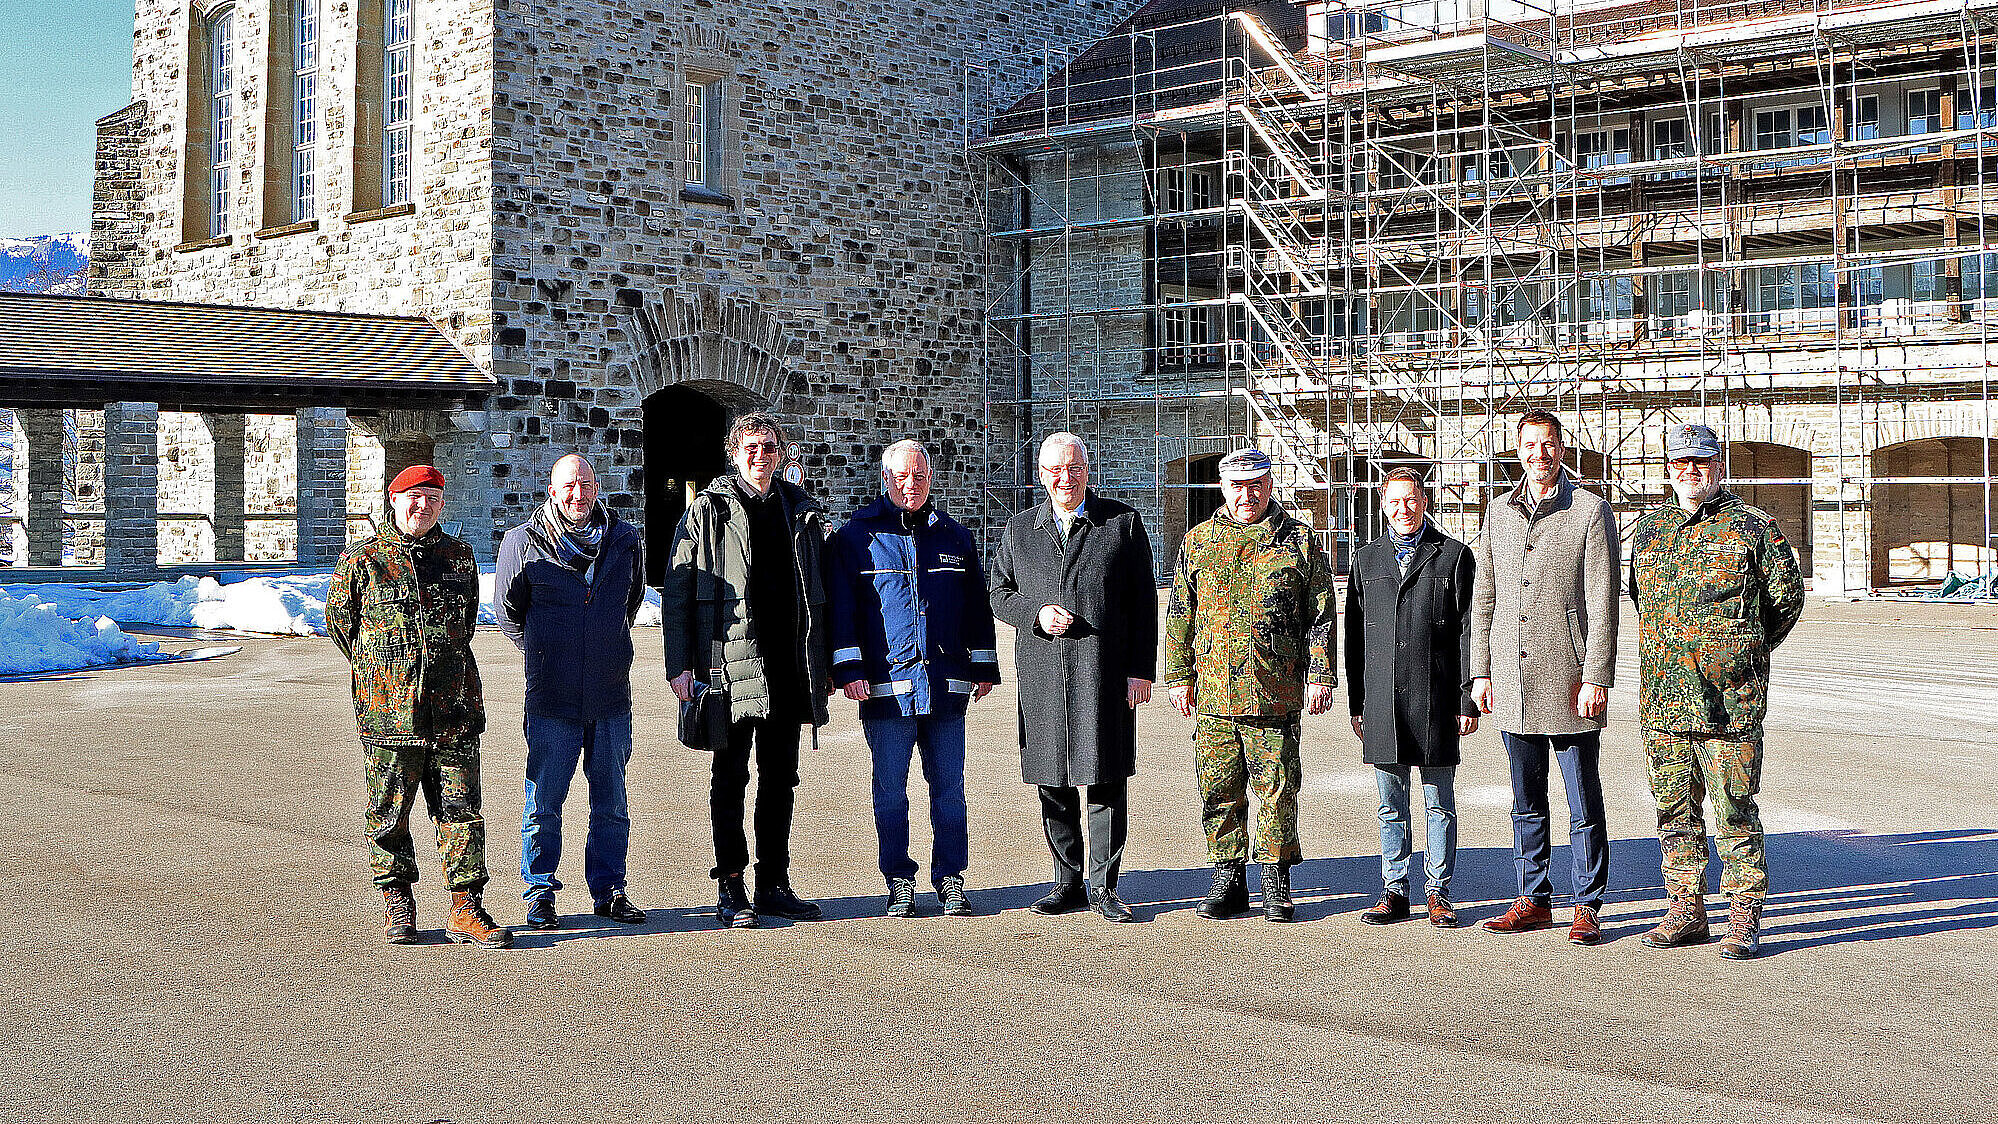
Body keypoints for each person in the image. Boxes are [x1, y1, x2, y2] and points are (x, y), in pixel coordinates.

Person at [1629, 423, 1805, 960]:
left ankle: (1743, 916)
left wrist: (1739, 654)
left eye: (1701, 463)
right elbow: (1642, 601)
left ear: (1720, 467)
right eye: (1680, 464)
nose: (1691, 472)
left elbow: (1785, 603)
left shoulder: (1755, 529)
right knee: (1675, 813)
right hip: (1664, 700)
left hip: (1732, 704)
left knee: (1734, 810)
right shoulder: (1648, 532)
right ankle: (1685, 911)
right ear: (1667, 471)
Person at [326, 465, 509, 949]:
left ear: (442, 505)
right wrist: (385, 675)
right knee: (389, 813)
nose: (421, 506)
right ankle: (397, 901)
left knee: (462, 810)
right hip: (390, 715)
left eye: (430, 497)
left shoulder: (459, 558)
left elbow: (464, 624)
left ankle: (466, 907)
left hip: (453, 711)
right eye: (412, 497)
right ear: (393, 500)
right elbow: (342, 627)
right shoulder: (363, 560)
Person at [661, 412, 832, 929]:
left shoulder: (801, 510)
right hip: (727, 664)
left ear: (783, 453)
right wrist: (680, 664)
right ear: (734, 453)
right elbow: (678, 593)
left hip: (789, 666)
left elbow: (824, 591)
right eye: (752, 448)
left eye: (770, 447)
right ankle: (731, 885)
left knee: (781, 779)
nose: (761, 456)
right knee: (730, 778)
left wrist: (823, 662)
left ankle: (774, 882)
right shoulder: (706, 511)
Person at [1162, 447, 1336, 924]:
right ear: (1222, 488)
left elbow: (1319, 614)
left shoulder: (1298, 541)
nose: (1247, 494)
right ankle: (1228, 877)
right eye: (1237, 486)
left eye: (1256, 484)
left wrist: (1320, 675)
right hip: (1213, 692)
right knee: (1218, 787)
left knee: (1277, 788)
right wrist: (1176, 677)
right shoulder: (1199, 541)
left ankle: (1276, 881)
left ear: (1270, 484)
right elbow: (1181, 612)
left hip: (1274, 690)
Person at [988, 432, 1157, 923]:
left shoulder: (1122, 524)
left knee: (1104, 777)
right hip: (1041, 674)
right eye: (1056, 471)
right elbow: (999, 592)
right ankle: (1066, 881)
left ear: (1088, 470)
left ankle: (1104, 886)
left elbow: (1144, 602)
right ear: (1041, 475)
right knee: (1051, 780)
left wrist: (1140, 670)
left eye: (1076, 468)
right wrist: (1034, 613)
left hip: (1103, 672)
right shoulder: (1021, 529)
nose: (1067, 478)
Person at [828, 439, 1000, 918]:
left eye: (919, 476)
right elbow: (843, 610)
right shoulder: (855, 537)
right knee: (890, 791)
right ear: (884, 479)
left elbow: (976, 608)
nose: (911, 485)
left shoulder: (955, 536)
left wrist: (983, 665)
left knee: (950, 790)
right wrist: (848, 669)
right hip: (885, 687)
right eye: (902, 477)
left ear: (931, 479)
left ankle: (950, 879)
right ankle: (899, 880)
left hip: (946, 684)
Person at [1469, 409, 1620, 945]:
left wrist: (1596, 674)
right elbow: (1484, 598)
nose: (1539, 454)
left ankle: (1586, 904)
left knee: (1583, 800)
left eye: (1548, 444)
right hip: (1513, 682)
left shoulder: (1590, 512)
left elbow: (1603, 603)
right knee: (1525, 800)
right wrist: (1480, 671)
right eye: (1530, 445)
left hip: (1570, 681)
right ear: (1519, 449)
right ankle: (1533, 898)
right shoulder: (1498, 513)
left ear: (1562, 447)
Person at [495, 454, 649, 930]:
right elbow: (508, 613)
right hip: (552, 698)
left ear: (597, 487)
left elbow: (632, 599)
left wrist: (600, 646)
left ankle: (610, 890)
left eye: (584, 484)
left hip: (609, 696)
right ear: (550, 488)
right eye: (568, 485)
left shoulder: (624, 540)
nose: (576, 494)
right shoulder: (522, 543)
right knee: (544, 801)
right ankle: (539, 892)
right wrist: (546, 652)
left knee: (611, 802)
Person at [1344, 468, 1479, 927]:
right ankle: (1394, 890)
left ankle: (1438, 892)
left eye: (1413, 499)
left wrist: (1466, 699)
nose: (1405, 509)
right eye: (1395, 501)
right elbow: (1355, 638)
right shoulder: (1366, 560)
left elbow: (1467, 633)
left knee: (1439, 800)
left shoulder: (1454, 557)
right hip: (1382, 699)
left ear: (1425, 500)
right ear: (1382, 506)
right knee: (1390, 803)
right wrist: (1357, 703)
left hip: (1437, 696)